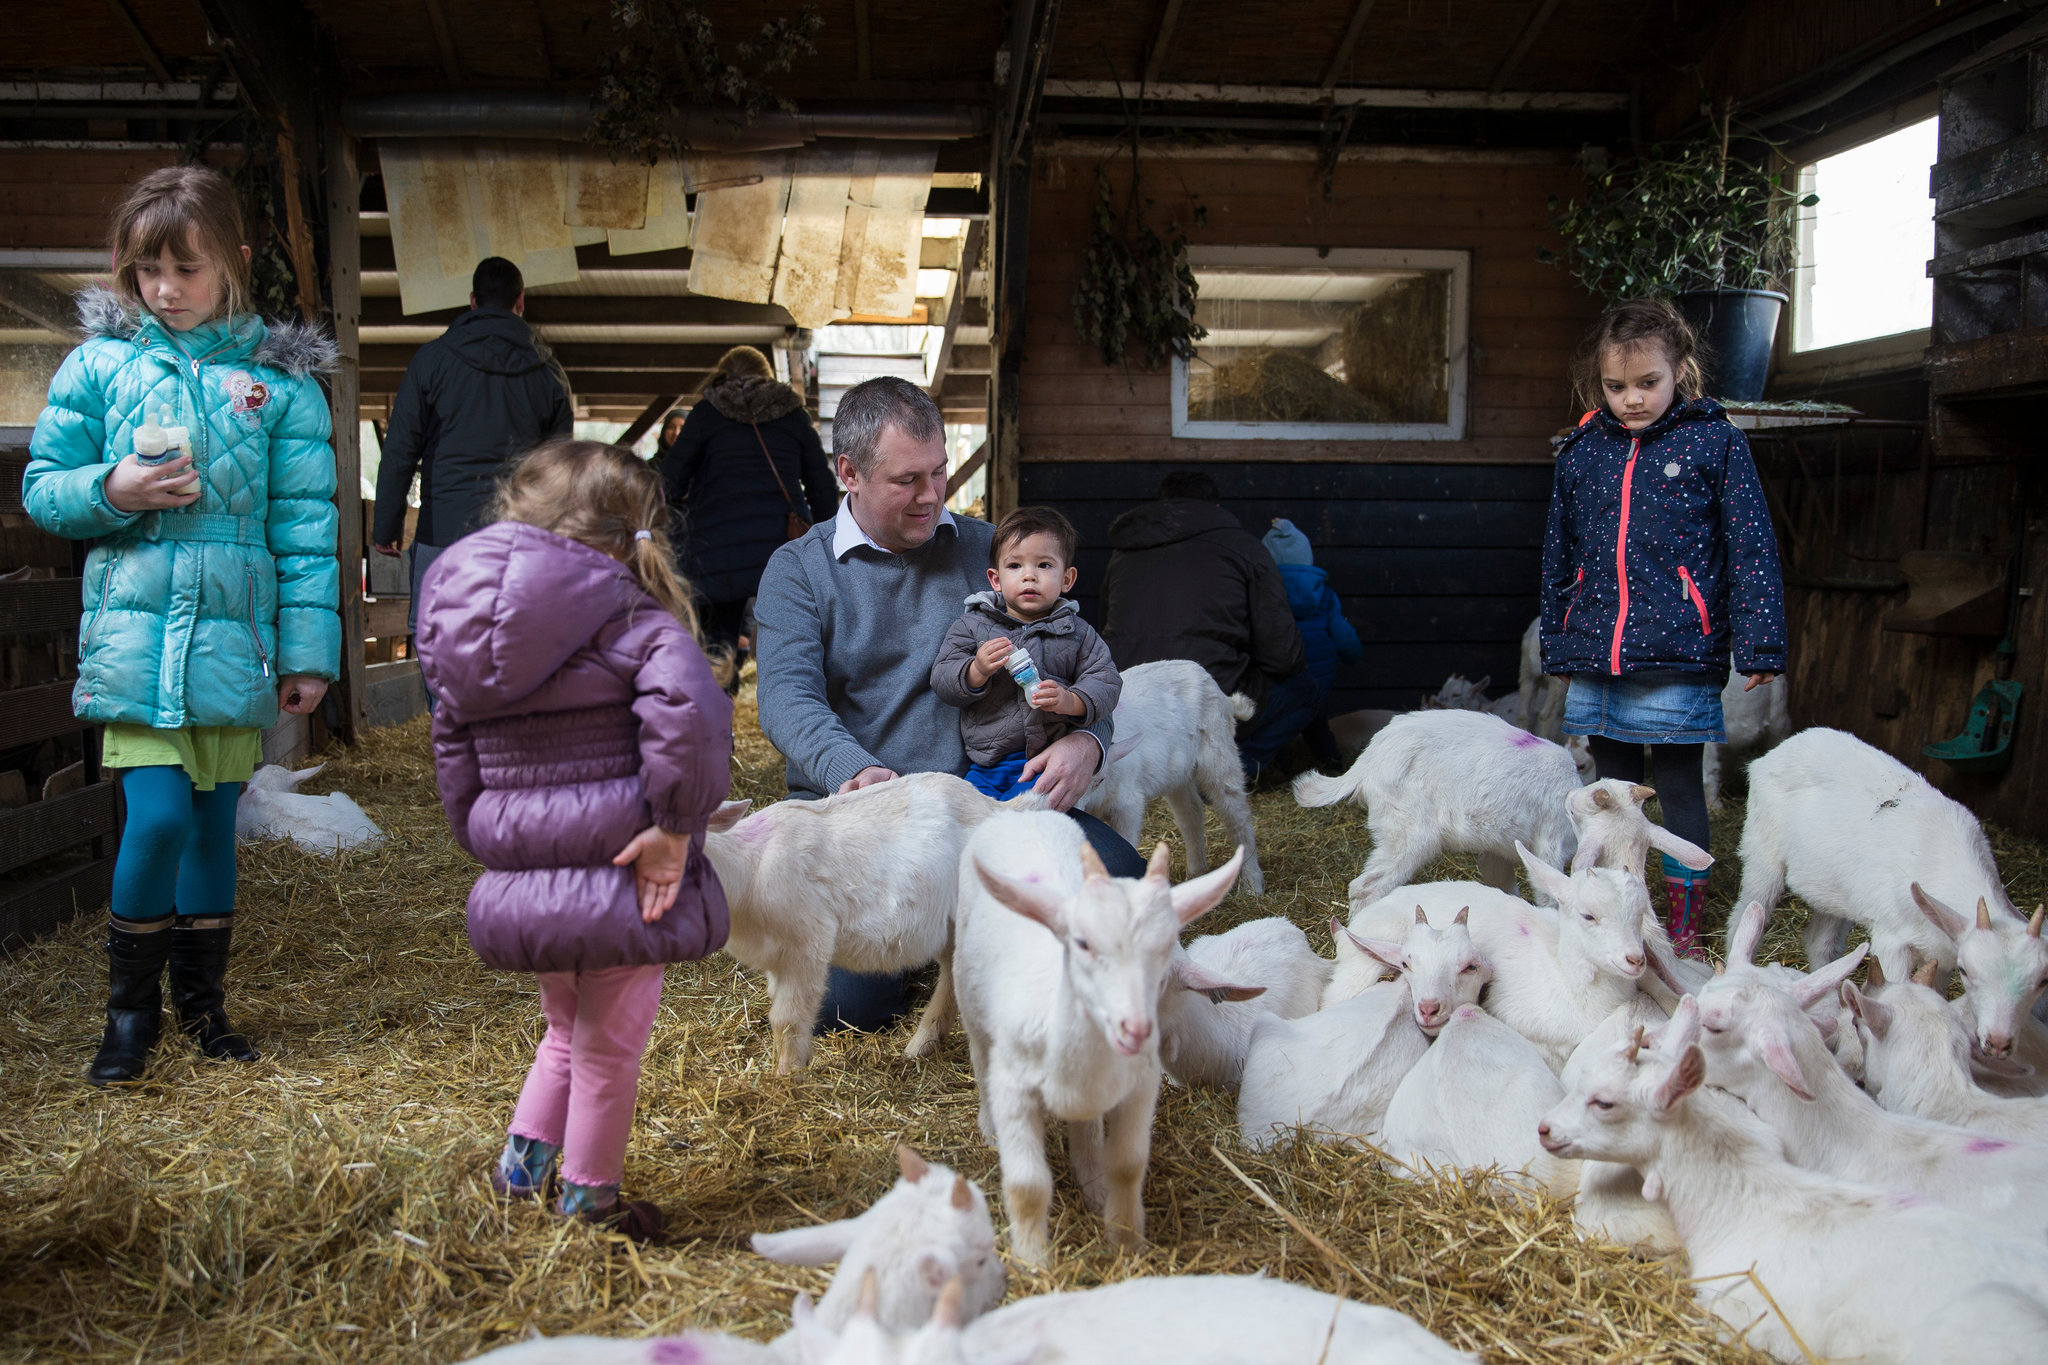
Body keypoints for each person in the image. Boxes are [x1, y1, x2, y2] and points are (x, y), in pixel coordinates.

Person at [22, 165, 340, 1084]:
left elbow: (307, 533)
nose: (165, 291)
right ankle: (129, 1017)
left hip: (233, 640)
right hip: (136, 636)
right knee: (154, 818)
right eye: (148, 271)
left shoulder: (278, 389)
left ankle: (204, 1008)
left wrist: (311, 657)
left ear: (234, 263)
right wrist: (113, 490)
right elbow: (45, 489)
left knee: (210, 825)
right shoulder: (101, 366)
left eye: (186, 270)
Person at [753, 376, 1142, 1030]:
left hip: (984, 799)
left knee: (1122, 881)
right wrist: (856, 770)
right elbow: (786, 699)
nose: (932, 495)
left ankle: (963, 928)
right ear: (849, 472)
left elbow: (1077, 653)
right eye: (908, 480)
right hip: (863, 819)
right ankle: (950, 935)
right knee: (843, 1006)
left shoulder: (989, 551)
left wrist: (1089, 738)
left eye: (939, 472)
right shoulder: (800, 570)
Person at [416, 441, 733, 1243]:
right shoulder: (638, 619)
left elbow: (451, 751)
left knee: (563, 1029)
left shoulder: (460, 627)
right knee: (609, 1047)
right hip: (627, 872)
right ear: (633, 533)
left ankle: (520, 1173)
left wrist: (496, 844)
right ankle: (590, 1201)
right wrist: (674, 826)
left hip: (531, 880)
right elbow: (690, 722)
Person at [1540, 298, 1785, 956]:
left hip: (1679, 651)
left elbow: (1752, 546)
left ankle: (1686, 924)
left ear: (1682, 370)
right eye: (1617, 387)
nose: (1632, 399)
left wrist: (1760, 641)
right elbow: (1559, 553)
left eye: (1648, 383)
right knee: (1611, 798)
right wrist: (1560, 642)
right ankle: (1629, 917)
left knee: (1676, 786)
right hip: (1600, 653)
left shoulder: (1714, 443)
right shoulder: (1582, 454)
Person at [370, 256, 574, 638]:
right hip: (517, 539)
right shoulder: (549, 373)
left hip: (443, 533)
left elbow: (400, 448)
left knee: (440, 644)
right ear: (521, 302)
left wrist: (386, 526)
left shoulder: (431, 361)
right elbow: (561, 471)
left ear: (472, 301)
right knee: (514, 648)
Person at [1098, 470, 1310, 783]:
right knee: (1305, 690)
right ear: (1216, 508)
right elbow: (1284, 656)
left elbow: (1105, 629)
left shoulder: (1123, 553)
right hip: (1208, 694)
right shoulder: (1246, 548)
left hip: (1131, 701)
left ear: (1163, 507)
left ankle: (1170, 770)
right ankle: (1238, 767)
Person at [931, 506, 1122, 800]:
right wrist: (977, 670)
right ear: (995, 579)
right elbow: (943, 678)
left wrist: (1070, 701)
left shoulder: (1077, 632)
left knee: (1025, 823)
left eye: (1044, 565)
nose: (1029, 576)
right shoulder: (971, 625)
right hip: (986, 762)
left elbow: (1106, 680)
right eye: (1015, 566)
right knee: (970, 819)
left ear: (1068, 579)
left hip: (1046, 762)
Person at [661, 345, 836, 661]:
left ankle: (719, 702)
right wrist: (829, 548)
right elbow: (821, 488)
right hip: (783, 546)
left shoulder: (706, 414)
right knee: (789, 651)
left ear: (722, 375)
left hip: (712, 549)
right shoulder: (794, 416)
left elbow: (668, 484)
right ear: (767, 378)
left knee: (716, 653)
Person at [1261, 518, 1363, 771]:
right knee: (1317, 725)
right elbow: (1345, 639)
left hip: (1276, 682)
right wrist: (1353, 653)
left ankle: (1278, 770)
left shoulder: (1259, 596)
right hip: (1316, 682)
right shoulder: (1325, 597)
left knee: (1274, 727)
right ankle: (1334, 765)